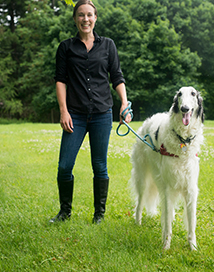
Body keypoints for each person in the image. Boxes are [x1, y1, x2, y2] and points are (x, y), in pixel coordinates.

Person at [49, 0, 131, 224]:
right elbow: (60, 80)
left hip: (102, 114)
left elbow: (117, 76)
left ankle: (99, 215)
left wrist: (124, 102)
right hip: (74, 114)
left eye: (89, 15)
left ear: (95, 18)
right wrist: (63, 111)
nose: (85, 19)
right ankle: (65, 212)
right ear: (75, 18)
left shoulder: (108, 46)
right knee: (65, 165)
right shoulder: (66, 48)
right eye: (81, 15)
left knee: (100, 165)